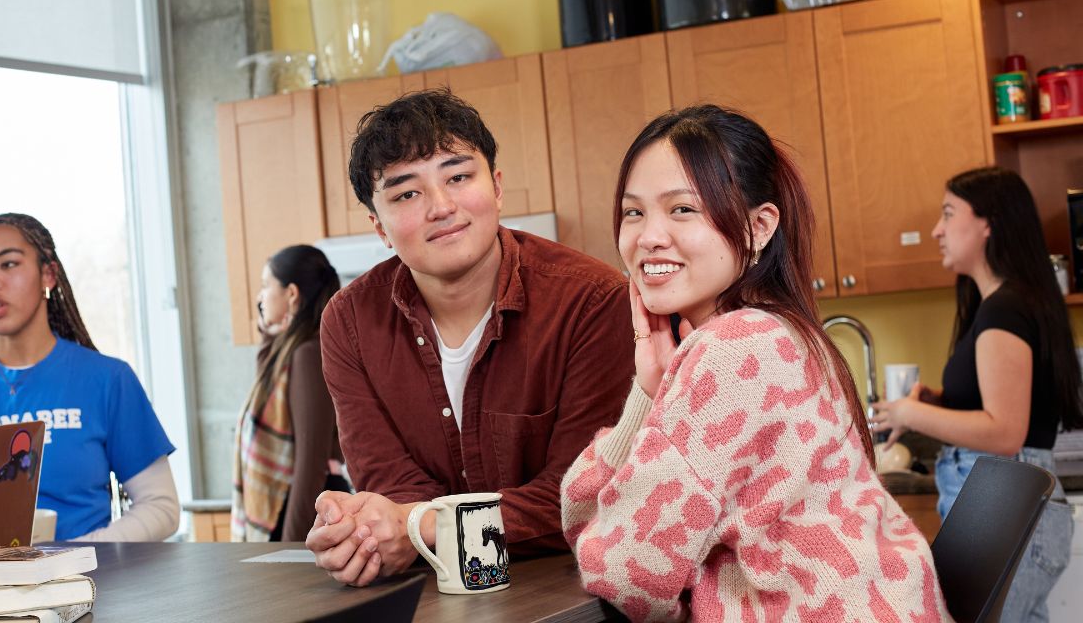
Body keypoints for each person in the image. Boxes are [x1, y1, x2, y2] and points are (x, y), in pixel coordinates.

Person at [561, 105, 950, 621]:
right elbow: (592, 525)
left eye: (682, 209)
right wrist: (650, 390)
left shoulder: (735, 348)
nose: (648, 236)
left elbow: (625, 568)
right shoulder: (781, 332)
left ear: (759, 226)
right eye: (634, 212)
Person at [306, 89, 634, 587]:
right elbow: (389, 484)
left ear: (497, 188)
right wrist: (363, 530)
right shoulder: (349, 322)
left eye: (459, 177)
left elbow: (582, 495)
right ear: (379, 227)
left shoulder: (594, 301)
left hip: (576, 595)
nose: (441, 206)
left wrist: (415, 526)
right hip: (434, 600)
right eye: (406, 194)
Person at [874, 166, 1082, 621]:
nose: (937, 229)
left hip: (1007, 502)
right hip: (1007, 502)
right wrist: (942, 403)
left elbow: (1005, 432)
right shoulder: (1004, 304)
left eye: (948, 214)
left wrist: (911, 412)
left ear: (987, 224)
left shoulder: (1006, 309)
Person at [0, 213, 178, 542]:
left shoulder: (109, 380)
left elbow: (161, 507)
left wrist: (77, 557)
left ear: (48, 274)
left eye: (9, 264)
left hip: (86, 585)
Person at [230, 244, 345, 542]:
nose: (260, 297)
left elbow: (310, 463)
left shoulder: (308, 354)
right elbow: (263, 384)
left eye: (266, 285)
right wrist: (268, 332)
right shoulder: (292, 351)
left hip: (304, 509)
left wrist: (293, 547)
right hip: (292, 504)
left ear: (291, 294)